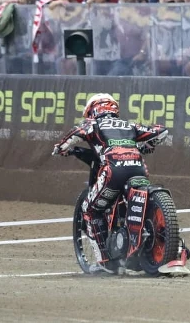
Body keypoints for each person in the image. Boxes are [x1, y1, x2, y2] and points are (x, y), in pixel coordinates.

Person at [51, 93, 171, 273]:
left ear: (93, 110)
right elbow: (162, 131)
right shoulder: (129, 125)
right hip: (139, 169)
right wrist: (146, 147)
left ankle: (104, 263)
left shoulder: (93, 124)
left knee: (90, 210)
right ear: (113, 108)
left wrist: (60, 148)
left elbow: (75, 134)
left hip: (113, 171)